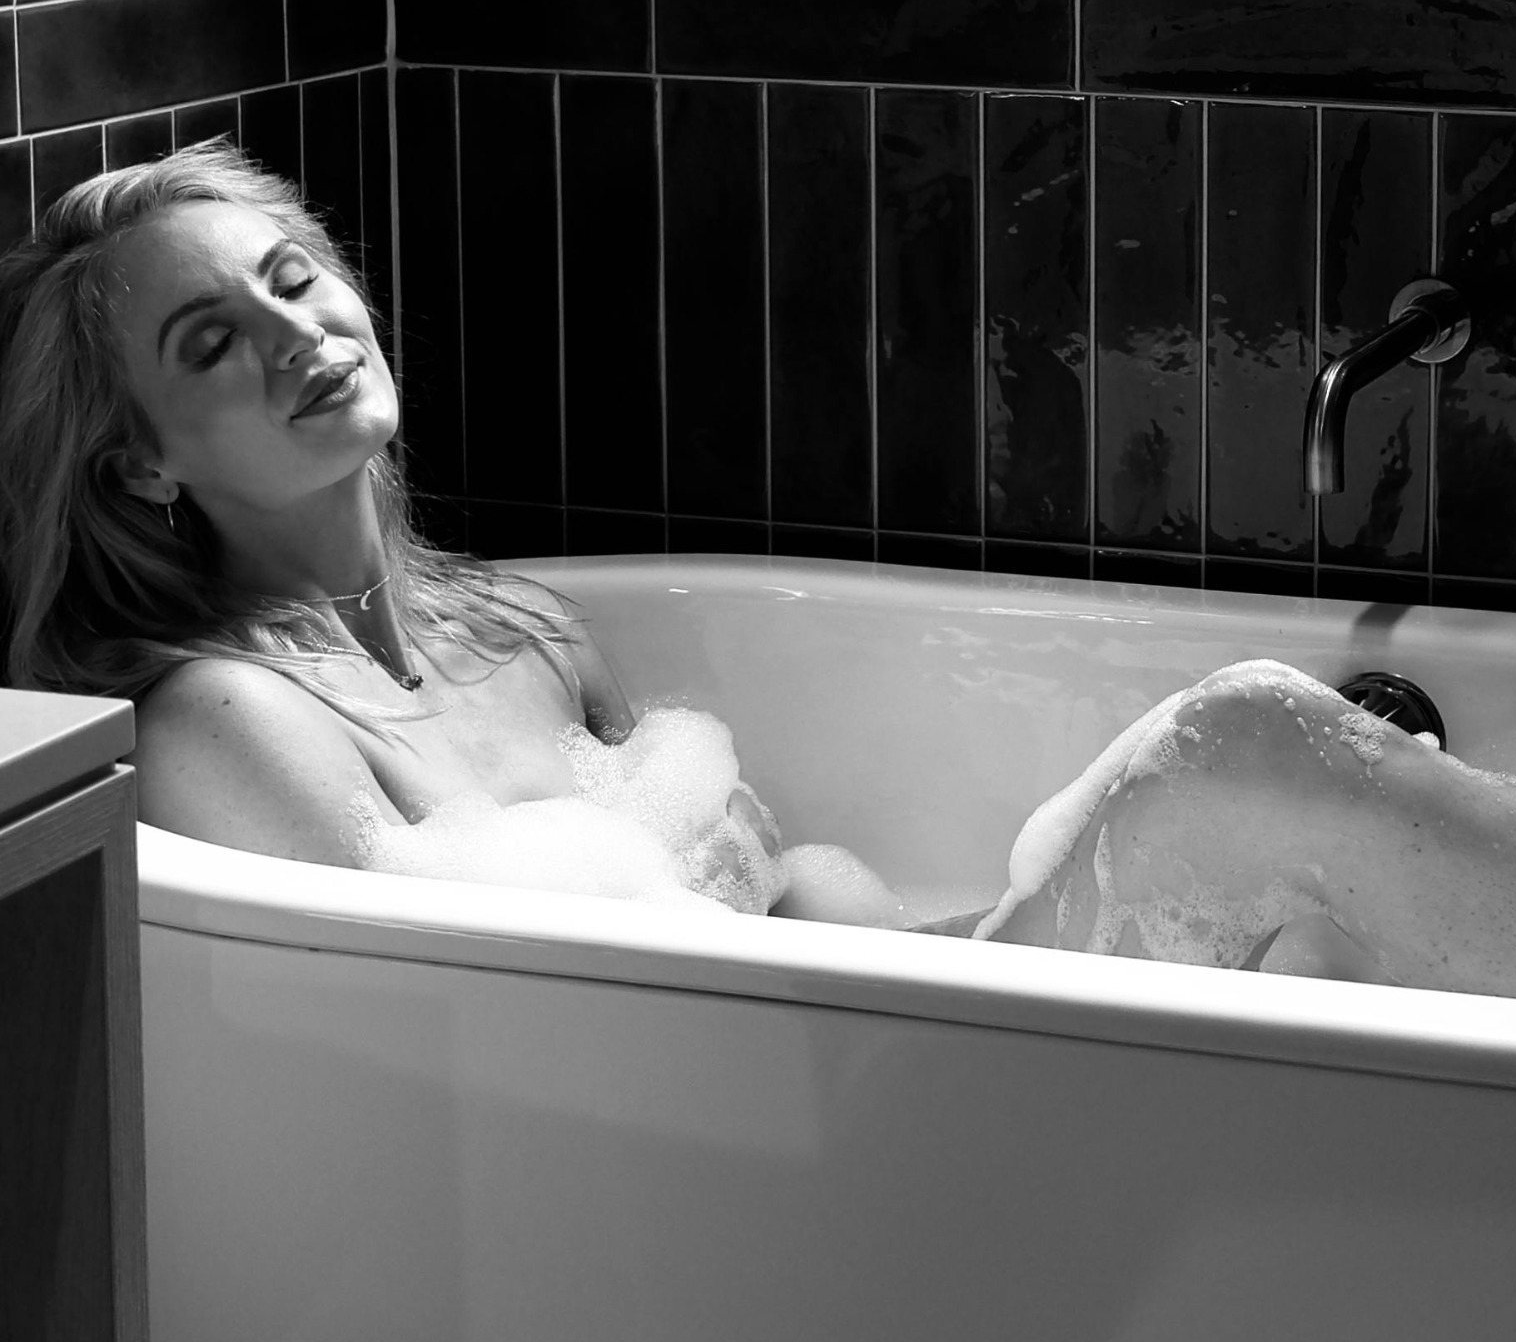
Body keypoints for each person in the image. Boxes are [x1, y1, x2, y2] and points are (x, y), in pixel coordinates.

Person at [0, 145, 880, 921]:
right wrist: (734, 872)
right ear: (139, 465)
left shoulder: (525, 631)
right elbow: (439, 1016)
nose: (297, 332)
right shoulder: (227, 716)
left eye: (295, 281)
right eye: (212, 341)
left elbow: (767, 911)